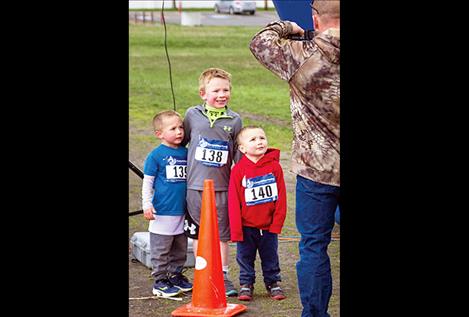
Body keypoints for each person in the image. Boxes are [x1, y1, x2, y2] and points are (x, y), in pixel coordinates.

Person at [249, 1, 340, 316]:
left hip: (316, 171)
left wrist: (289, 26)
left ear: (316, 17)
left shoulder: (301, 56)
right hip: (318, 172)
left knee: (314, 246)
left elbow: (259, 42)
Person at [182, 68, 243, 296]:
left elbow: (238, 154)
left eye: (225, 90)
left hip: (222, 188)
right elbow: (184, 142)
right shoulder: (192, 115)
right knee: (198, 233)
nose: (221, 94)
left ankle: (223, 276)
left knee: (222, 235)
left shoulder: (235, 120)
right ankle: (202, 273)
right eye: (215, 90)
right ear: (202, 93)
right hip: (195, 187)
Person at [228, 126, 287, 302]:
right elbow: (233, 201)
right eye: (252, 139)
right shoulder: (238, 170)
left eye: (261, 137)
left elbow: (281, 198)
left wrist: (276, 223)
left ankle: (273, 282)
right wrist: (236, 229)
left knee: (270, 256)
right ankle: (246, 284)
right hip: (246, 226)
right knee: (245, 257)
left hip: (268, 226)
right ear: (242, 148)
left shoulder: (275, 167)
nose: (259, 141)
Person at [141, 110, 193, 298]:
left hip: (182, 211)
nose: (179, 131)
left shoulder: (187, 153)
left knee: (179, 248)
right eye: (173, 128)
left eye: (181, 127)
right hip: (162, 212)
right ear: (159, 133)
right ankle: (160, 281)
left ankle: (175, 275)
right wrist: (147, 204)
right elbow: (147, 182)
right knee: (161, 250)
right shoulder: (156, 155)